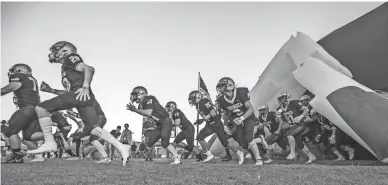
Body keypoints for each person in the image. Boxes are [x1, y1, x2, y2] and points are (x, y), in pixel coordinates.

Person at [27, 41, 128, 166]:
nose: (54, 53)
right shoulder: (66, 67)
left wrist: (85, 87)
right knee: (95, 130)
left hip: (80, 95)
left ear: (65, 50)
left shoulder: (70, 58)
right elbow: (68, 92)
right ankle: (122, 147)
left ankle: (49, 141)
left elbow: (89, 69)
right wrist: (51, 90)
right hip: (83, 98)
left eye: (56, 50)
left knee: (41, 108)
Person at [126, 86, 181, 165]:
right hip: (159, 124)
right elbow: (146, 113)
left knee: (164, 142)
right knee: (149, 144)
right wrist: (137, 110)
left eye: (135, 94)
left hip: (165, 121)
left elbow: (148, 112)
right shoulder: (142, 105)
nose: (133, 97)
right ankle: (147, 157)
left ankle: (177, 157)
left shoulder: (149, 98)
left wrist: (135, 110)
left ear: (141, 94)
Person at [1, 64, 40, 164]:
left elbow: (14, 86)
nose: (13, 72)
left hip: (26, 108)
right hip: (36, 109)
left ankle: (17, 156)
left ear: (21, 70)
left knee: (10, 129)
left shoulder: (20, 77)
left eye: (15, 70)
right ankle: (39, 156)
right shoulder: (32, 79)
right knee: (27, 138)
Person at [188, 90, 232, 163]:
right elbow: (208, 115)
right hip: (211, 123)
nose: (192, 101)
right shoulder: (198, 106)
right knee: (222, 141)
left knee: (223, 141)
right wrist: (202, 120)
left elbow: (213, 113)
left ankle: (211, 155)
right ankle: (212, 154)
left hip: (215, 123)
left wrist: (203, 119)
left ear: (198, 97)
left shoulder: (203, 102)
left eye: (192, 98)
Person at [276, 92, 316, 163]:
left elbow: (306, 110)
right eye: (280, 99)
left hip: (300, 124)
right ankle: (311, 156)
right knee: (300, 144)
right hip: (293, 126)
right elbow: (280, 120)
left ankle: (292, 153)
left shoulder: (294, 103)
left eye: (282, 98)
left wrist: (301, 116)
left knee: (289, 134)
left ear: (287, 98)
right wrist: (279, 116)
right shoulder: (279, 108)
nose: (281, 100)